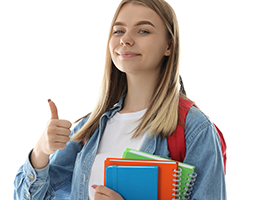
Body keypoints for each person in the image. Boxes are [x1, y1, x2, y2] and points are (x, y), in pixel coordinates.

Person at [14, 0, 226, 199]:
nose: (125, 39)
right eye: (119, 30)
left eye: (143, 30)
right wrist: (41, 151)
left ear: (169, 46)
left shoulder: (195, 129)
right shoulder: (90, 128)